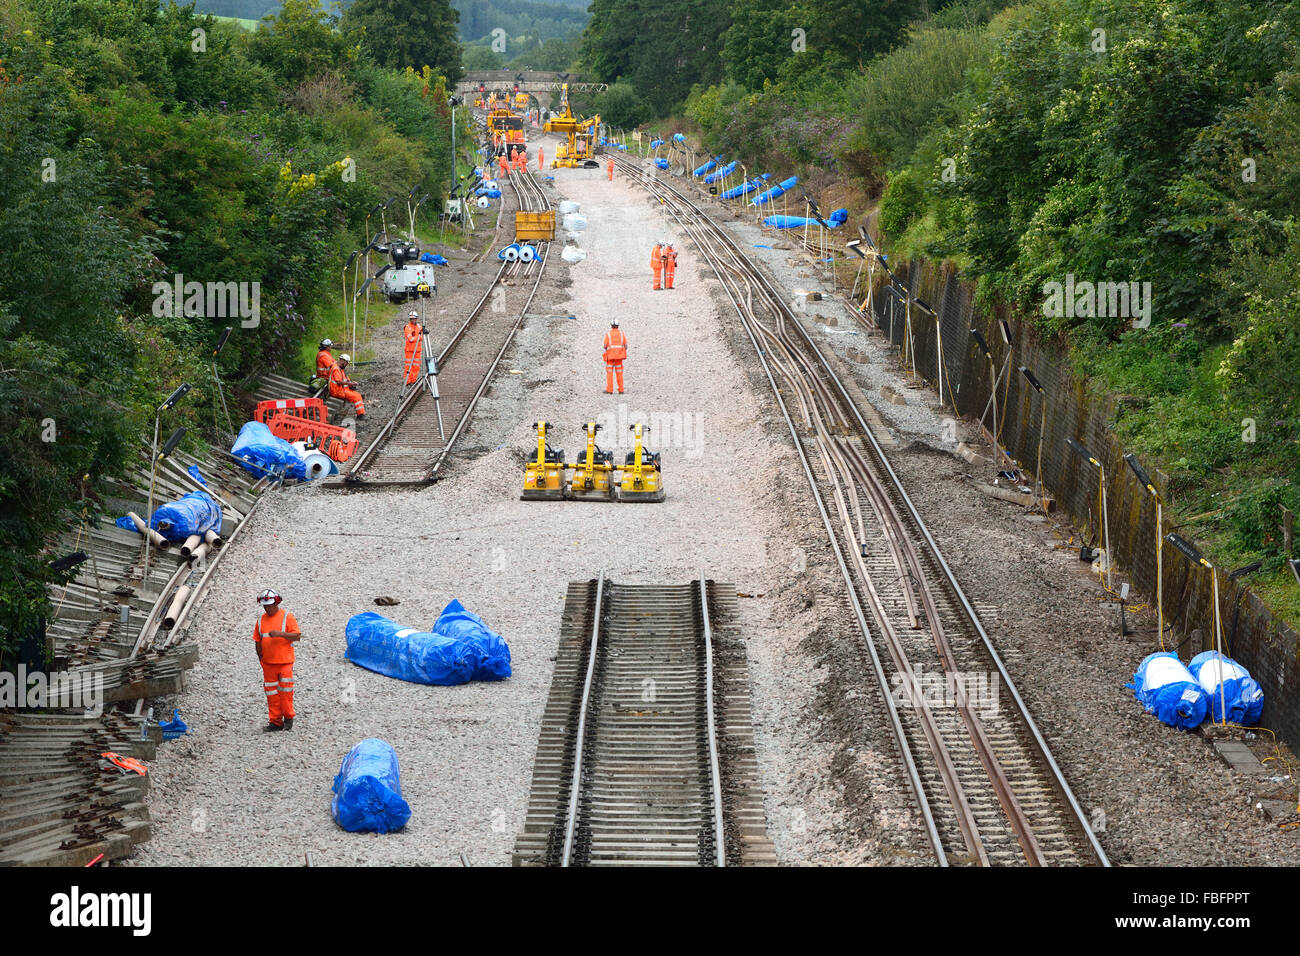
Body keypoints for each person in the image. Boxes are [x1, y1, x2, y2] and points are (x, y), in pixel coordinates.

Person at [253, 589, 300, 732]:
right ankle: (275, 721)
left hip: (285, 662)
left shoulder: (287, 617)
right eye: (265, 606)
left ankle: (288, 718)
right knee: (271, 693)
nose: (268, 608)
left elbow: (297, 636)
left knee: (286, 692)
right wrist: (261, 659)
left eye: (270, 605)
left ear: (277, 603)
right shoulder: (261, 621)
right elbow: (257, 640)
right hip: (268, 664)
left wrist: (280, 634)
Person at [328, 353, 366, 418]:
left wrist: (350, 382)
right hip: (337, 391)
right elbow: (339, 381)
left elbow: (345, 378)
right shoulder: (336, 369)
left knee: (357, 395)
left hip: (342, 389)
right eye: (346, 363)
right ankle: (360, 415)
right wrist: (350, 384)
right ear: (343, 361)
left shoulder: (340, 368)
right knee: (357, 397)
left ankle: (361, 413)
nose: (346, 365)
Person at [603, 319, 627, 394]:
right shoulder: (621, 334)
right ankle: (621, 390)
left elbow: (604, 345)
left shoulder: (608, 334)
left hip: (610, 357)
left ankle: (609, 390)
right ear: (618, 326)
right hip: (619, 357)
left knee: (609, 373)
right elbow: (626, 345)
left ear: (611, 326)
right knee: (619, 373)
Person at [402, 311, 424, 386]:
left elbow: (422, 337)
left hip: (417, 351)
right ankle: (407, 381)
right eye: (411, 319)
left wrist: (418, 337)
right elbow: (410, 339)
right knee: (408, 367)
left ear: (416, 318)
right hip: (409, 351)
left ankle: (413, 380)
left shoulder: (419, 327)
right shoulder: (407, 327)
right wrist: (419, 337)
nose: (412, 320)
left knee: (416, 367)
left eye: (414, 318)